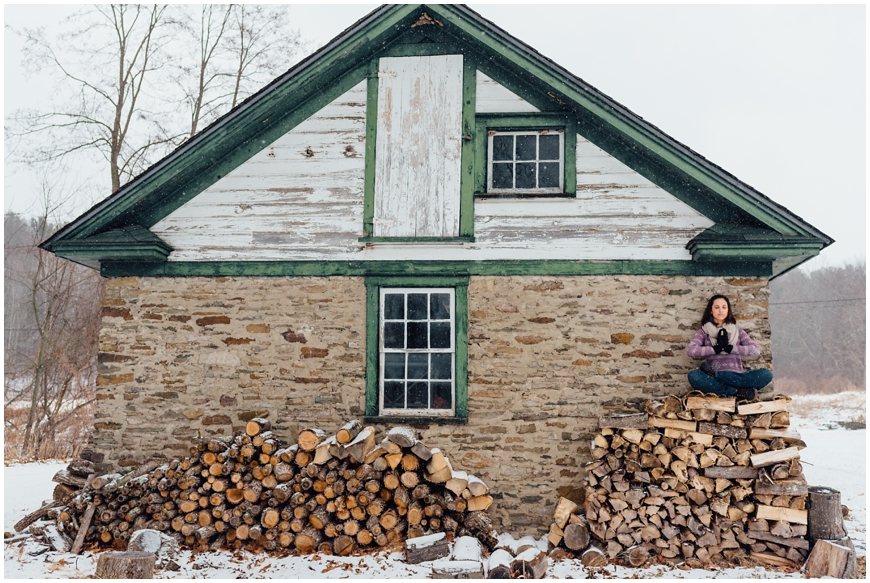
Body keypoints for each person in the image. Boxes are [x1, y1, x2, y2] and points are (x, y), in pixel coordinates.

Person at [686, 294, 773, 400]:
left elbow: (755, 350)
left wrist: (732, 349)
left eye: (724, 307)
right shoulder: (704, 332)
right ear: (711, 310)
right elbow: (691, 351)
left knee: (767, 374)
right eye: (717, 307)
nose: (720, 310)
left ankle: (720, 380)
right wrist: (714, 349)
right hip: (715, 381)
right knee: (694, 375)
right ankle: (736, 391)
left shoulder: (738, 331)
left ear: (728, 310)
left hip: (736, 377)